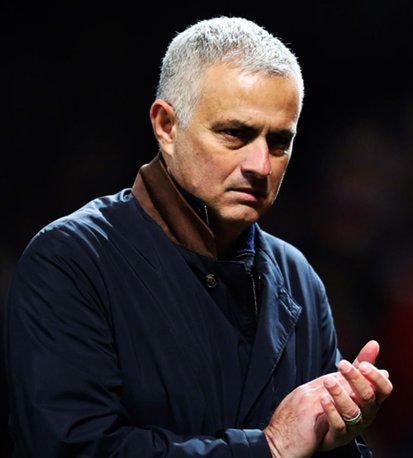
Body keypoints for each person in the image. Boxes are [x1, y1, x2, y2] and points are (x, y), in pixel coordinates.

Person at [4, 16, 392, 457]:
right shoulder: (69, 262)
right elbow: (73, 449)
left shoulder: (298, 278)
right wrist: (269, 448)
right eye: (235, 134)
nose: (261, 166)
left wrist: (341, 438)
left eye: (279, 142)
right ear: (166, 126)